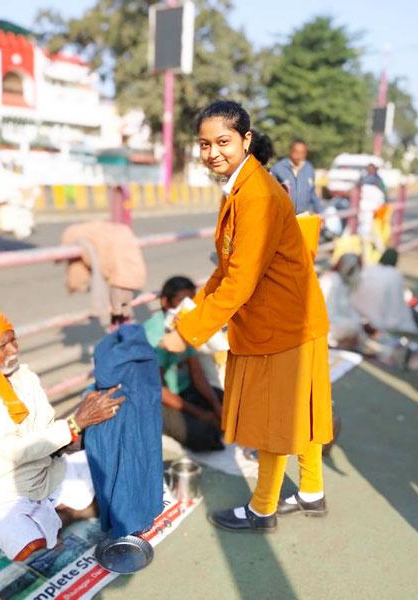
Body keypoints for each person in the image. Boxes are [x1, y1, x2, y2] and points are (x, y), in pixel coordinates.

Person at [162, 100, 333, 532]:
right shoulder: (242, 186)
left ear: (246, 140)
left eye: (223, 141)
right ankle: (311, 491)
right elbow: (227, 268)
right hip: (293, 318)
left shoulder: (254, 194)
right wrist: (193, 309)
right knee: (301, 412)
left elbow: (239, 281)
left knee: (276, 421)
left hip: (284, 325)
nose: (212, 152)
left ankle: (263, 509)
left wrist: (188, 333)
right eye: (204, 144)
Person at [0, 309, 125, 561]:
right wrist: (75, 422)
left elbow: (47, 431)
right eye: (2, 346)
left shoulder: (25, 377)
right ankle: (56, 515)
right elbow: (15, 451)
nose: (13, 350)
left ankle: (62, 513)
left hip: (45, 473)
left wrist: (85, 431)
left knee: (111, 472)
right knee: (26, 543)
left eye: (13, 340)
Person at [143, 276, 224, 452]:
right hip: (159, 400)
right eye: (181, 301)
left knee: (231, 407)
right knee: (205, 436)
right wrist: (200, 413)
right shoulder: (155, 334)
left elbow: (196, 373)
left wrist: (217, 407)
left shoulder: (185, 324)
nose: (186, 306)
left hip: (185, 391)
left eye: (190, 300)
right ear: (165, 302)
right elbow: (159, 390)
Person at [270, 139, 324, 214]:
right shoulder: (278, 168)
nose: (298, 155)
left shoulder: (309, 169)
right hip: (284, 215)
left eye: (302, 152)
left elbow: (312, 194)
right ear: (291, 151)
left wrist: (320, 212)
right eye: (296, 151)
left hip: (304, 215)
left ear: (305, 154)